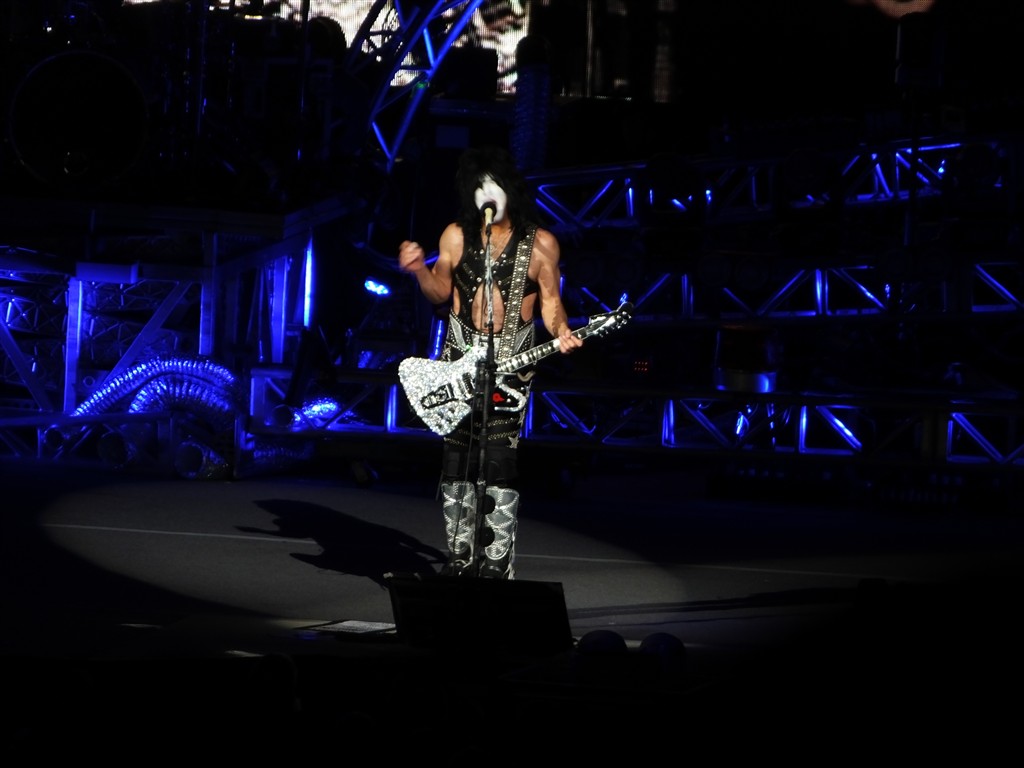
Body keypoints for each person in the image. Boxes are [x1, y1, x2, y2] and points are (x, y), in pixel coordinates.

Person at [398, 145, 583, 579]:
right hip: (458, 360)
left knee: (499, 459)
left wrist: (561, 331)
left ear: (509, 190)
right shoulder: (455, 236)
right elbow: (440, 291)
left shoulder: (540, 243)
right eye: (478, 186)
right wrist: (419, 270)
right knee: (457, 459)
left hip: (511, 364)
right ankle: (459, 557)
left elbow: (551, 302)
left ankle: (497, 560)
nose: (487, 193)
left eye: (494, 184)